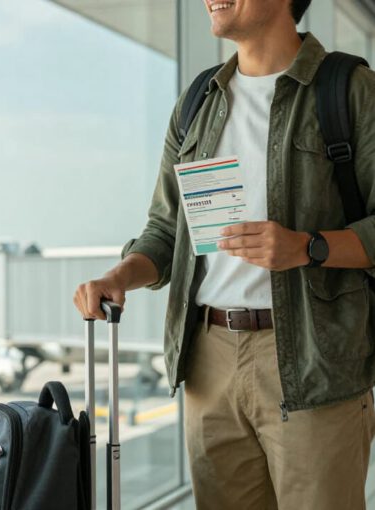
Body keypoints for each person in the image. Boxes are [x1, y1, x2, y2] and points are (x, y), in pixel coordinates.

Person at [73, 0, 375, 508]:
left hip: (314, 357)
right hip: (208, 359)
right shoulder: (197, 102)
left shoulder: (350, 90)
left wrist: (308, 247)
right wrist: (120, 276)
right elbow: (166, 231)